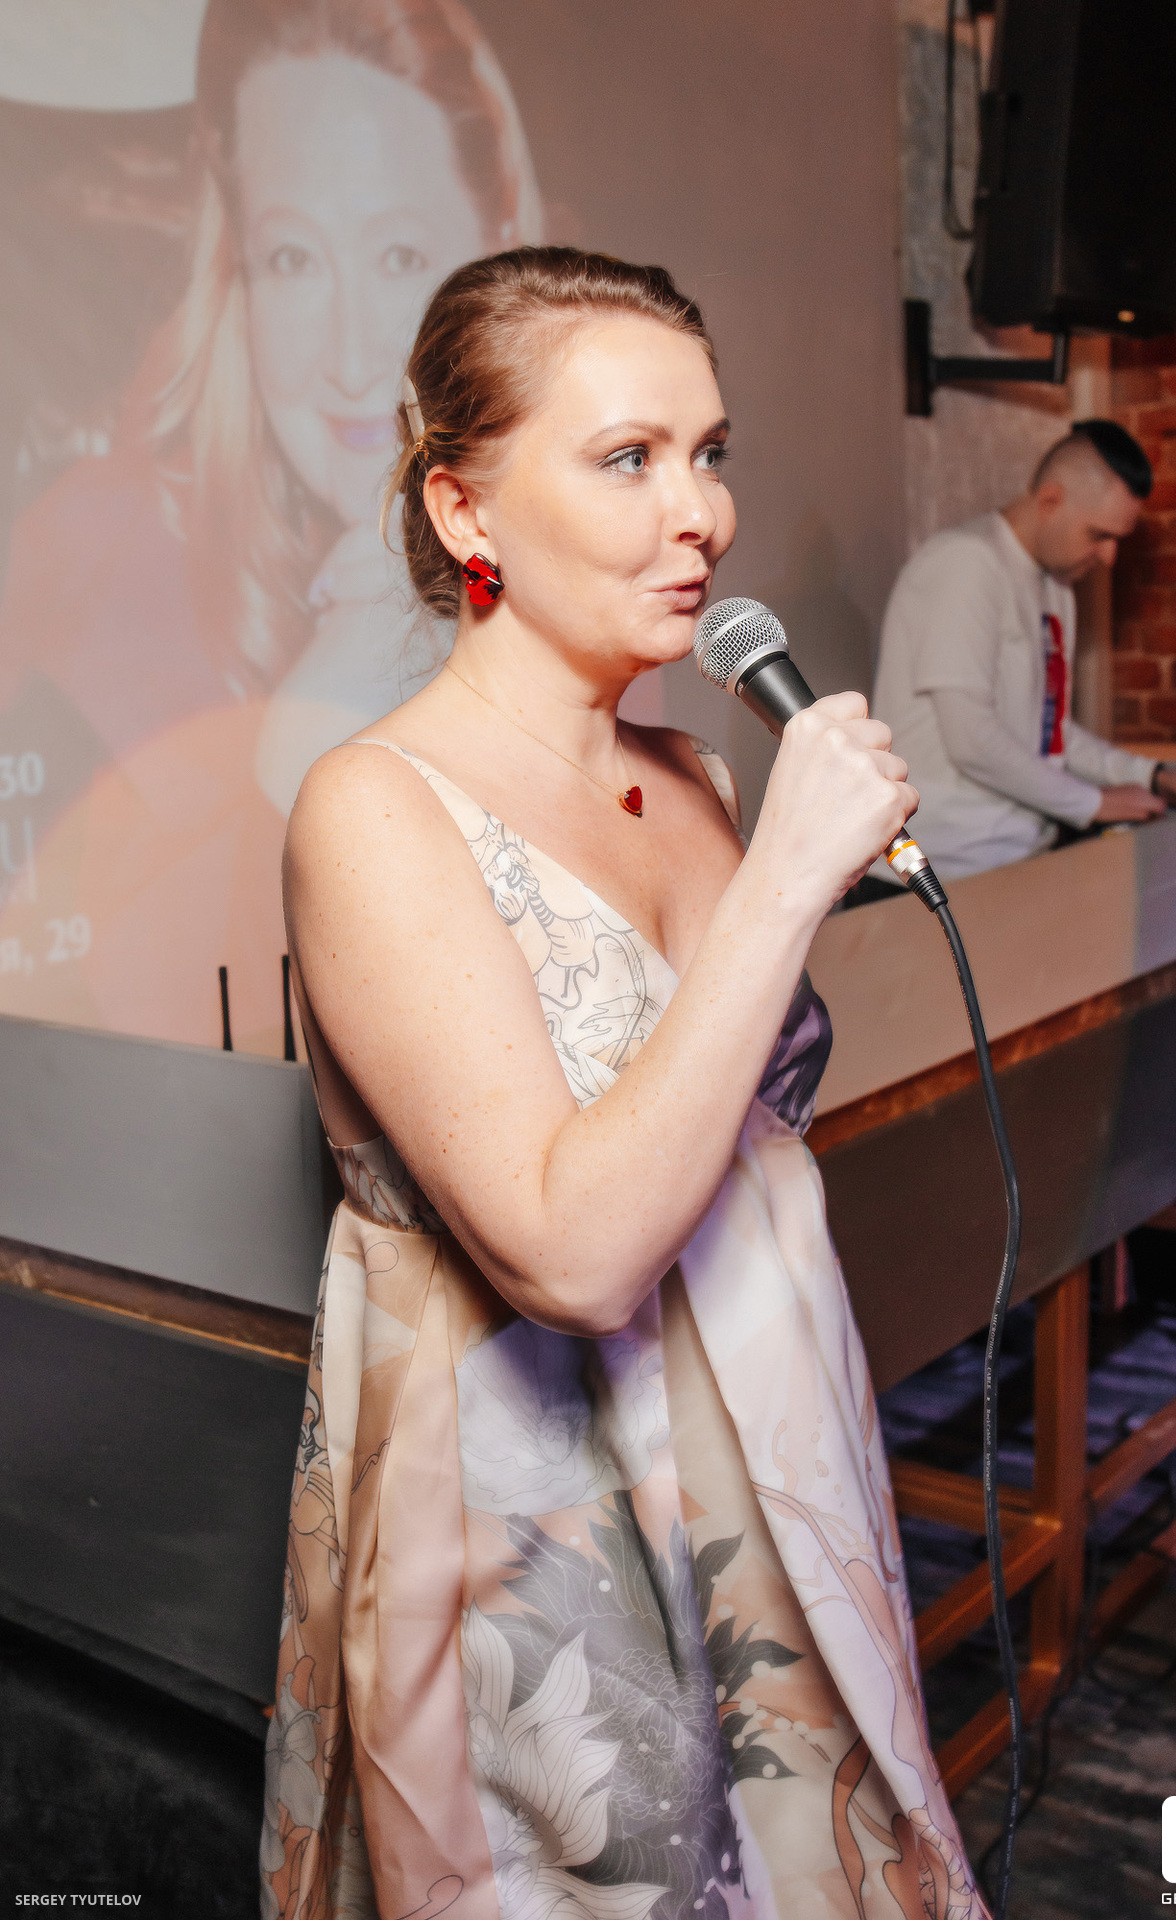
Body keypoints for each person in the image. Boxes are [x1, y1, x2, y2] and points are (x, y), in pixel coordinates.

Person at [261, 247, 989, 1920]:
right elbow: (573, 1254)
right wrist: (796, 873)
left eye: (708, 452)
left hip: (773, 1473)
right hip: (550, 1537)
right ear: (466, 512)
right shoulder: (372, 808)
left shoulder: (695, 770)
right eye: (626, 459)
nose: (701, 515)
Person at [0, 0, 540, 1052]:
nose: (348, 354)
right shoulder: (99, 571)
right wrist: (309, 725)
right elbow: (162, 1057)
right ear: (236, 273)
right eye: (293, 258)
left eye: (398, 255)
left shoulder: (571, 547)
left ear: (499, 252)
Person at [869, 420, 1176, 885]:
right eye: (1099, 535)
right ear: (1051, 500)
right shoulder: (965, 564)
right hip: (934, 872)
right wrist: (1094, 803)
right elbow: (971, 739)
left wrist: (1153, 775)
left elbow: (1050, 736)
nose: (1110, 557)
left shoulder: (1057, 588)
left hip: (1014, 858)